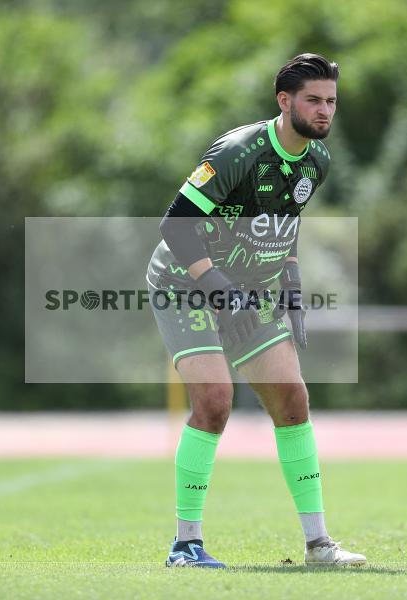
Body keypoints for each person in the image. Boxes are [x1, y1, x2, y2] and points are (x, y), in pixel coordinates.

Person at [145, 53, 367, 569]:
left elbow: (284, 228)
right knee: (216, 401)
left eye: (331, 101)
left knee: (292, 401)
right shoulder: (237, 152)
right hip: (187, 282)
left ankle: (319, 546)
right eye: (313, 100)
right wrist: (219, 287)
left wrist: (290, 285)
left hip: (251, 288)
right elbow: (174, 226)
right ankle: (186, 546)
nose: (324, 111)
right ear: (284, 101)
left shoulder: (318, 161)